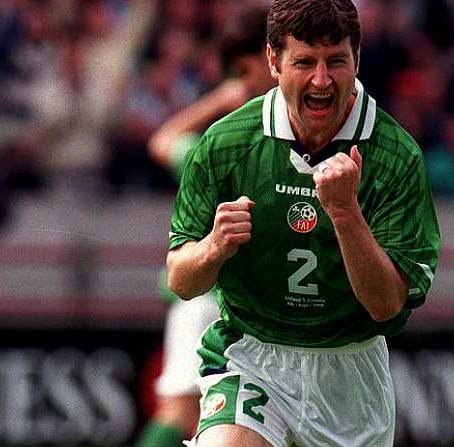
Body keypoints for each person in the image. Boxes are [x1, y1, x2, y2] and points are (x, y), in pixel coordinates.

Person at [167, 1, 441, 445]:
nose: (321, 79)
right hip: (251, 354)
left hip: (349, 375)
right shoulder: (228, 142)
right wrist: (213, 246)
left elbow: (386, 305)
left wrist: (346, 213)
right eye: (304, 62)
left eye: (336, 61)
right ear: (273, 61)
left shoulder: (394, 155)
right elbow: (181, 279)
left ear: (357, 57)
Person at [134, 7, 274, 447]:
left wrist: (220, 98)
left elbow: (161, 141)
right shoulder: (229, 144)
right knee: (183, 409)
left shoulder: (229, 136)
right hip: (215, 294)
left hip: (229, 297)